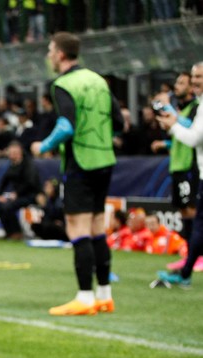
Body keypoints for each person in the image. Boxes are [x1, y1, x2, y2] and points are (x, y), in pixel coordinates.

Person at [31, 31, 125, 315]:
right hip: (105, 159)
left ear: (60, 54)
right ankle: (104, 295)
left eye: (50, 50)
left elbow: (66, 126)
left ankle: (85, 297)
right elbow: (119, 122)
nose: (48, 55)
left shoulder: (64, 83)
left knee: (78, 229)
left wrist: (42, 145)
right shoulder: (98, 80)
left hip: (80, 163)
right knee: (97, 227)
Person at [156, 61, 203, 287]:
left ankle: (187, 270)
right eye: (192, 78)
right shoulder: (197, 104)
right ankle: (188, 265)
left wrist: (173, 125)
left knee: (198, 219)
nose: (195, 82)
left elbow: (194, 136)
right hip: (185, 166)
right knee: (194, 218)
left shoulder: (200, 106)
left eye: (199, 77)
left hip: (193, 168)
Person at [151, 72, 199, 245]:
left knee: (191, 208)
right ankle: (188, 253)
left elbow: (192, 130)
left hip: (189, 164)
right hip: (177, 164)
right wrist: (165, 143)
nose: (177, 86)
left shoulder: (197, 107)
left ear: (191, 88)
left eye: (181, 83)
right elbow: (180, 137)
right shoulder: (181, 109)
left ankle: (198, 254)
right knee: (183, 210)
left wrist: (169, 110)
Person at [0, 141, 42, 240]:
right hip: (18, 196)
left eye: (14, 153)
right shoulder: (11, 165)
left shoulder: (28, 164)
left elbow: (30, 182)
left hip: (31, 195)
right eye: (10, 153)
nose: (12, 155)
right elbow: (4, 180)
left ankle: (17, 233)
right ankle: (9, 232)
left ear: (20, 152)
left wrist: (17, 193)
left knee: (9, 207)